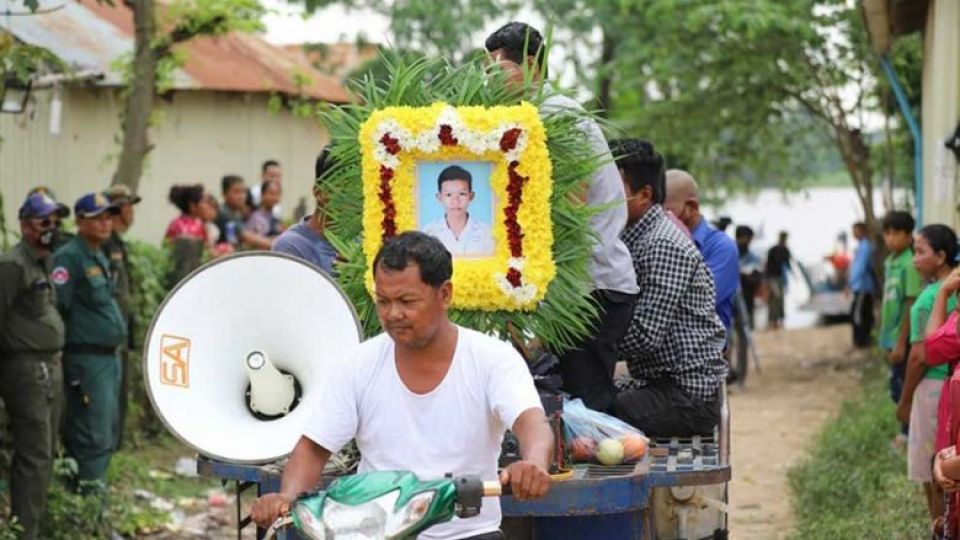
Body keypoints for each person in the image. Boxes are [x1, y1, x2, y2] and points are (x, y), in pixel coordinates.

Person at [250, 232, 553, 539]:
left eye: (407, 301)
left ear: (445, 294)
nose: (393, 314)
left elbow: (532, 422)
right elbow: (314, 449)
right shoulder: (359, 363)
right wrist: (287, 497)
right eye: (383, 301)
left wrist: (533, 464)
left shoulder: (493, 358)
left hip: (468, 534)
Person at [485, 22, 639, 414]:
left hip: (592, 288)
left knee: (588, 406)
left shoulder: (554, 116)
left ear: (533, 66)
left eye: (499, 67)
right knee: (570, 403)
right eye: (486, 68)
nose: (489, 77)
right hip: (578, 289)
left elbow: (571, 206)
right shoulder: (529, 117)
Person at [609, 138, 728, 437]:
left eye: (612, 189)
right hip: (656, 381)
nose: (601, 196)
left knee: (588, 414)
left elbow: (644, 336)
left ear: (644, 194)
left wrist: (579, 347)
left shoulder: (661, 244)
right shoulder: (631, 238)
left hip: (686, 395)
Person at [0, 193, 68, 540]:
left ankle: (35, 526)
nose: (52, 227)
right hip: (26, 371)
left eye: (56, 220)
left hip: (48, 368)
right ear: (26, 226)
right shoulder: (13, 264)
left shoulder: (44, 260)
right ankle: (25, 533)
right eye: (45, 221)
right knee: (34, 455)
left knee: (45, 452)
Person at [52, 193, 127, 492]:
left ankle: (95, 508)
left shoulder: (97, 254)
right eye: (97, 217)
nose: (105, 222)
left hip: (108, 359)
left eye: (109, 216)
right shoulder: (69, 256)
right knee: (92, 435)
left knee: (106, 433)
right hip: (86, 360)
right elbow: (58, 308)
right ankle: (88, 510)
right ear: (79, 221)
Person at [894, 225, 958, 523]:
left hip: (934, 386)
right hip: (946, 384)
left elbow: (922, 355)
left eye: (920, 252)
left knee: (933, 468)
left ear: (942, 256)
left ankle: (939, 525)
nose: (915, 259)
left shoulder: (935, 296)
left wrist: (905, 401)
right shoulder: (946, 293)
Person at [663, 169, 739, 331]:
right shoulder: (660, 241)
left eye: (667, 212)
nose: (661, 219)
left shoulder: (722, 247)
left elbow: (701, 301)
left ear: (692, 207)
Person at [101, 184, 141, 448]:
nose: (131, 212)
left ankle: (115, 446)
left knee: (119, 395)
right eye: (128, 206)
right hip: (106, 334)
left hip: (120, 330)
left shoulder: (118, 244)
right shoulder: (104, 244)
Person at [880, 210, 922, 441]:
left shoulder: (909, 263)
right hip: (891, 336)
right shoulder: (891, 262)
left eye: (895, 233)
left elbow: (910, 302)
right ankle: (906, 432)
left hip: (903, 337)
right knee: (895, 384)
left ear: (908, 236)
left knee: (903, 387)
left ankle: (909, 435)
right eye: (886, 233)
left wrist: (899, 343)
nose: (890, 238)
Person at [272, 147, 339, 276]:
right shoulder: (291, 247)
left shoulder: (362, 243)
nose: (357, 200)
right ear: (320, 193)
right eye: (345, 189)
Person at [422, 165, 495, 257]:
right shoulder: (428, 232)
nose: (455, 201)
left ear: (471, 196)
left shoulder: (486, 232)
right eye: (449, 195)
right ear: (439, 197)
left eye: (462, 194)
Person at [166, 184, 225, 285]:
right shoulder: (184, 227)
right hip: (186, 277)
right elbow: (205, 253)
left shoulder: (198, 223)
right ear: (193, 206)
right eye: (205, 202)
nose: (208, 206)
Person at [214, 175, 273, 250]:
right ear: (224, 194)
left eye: (243, 192)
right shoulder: (223, 213)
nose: (241, 196)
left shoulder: (236, 214)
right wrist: (275, 244)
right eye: (236, 192)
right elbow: (248, 238)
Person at [847, 222, 876, 349]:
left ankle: (860, 341)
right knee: (864, 313)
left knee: (857, 314)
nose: (853, 233)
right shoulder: (862, 246)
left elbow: (860, 268)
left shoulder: (865, 247)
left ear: (862, 231)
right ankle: (863, 340)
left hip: (863, 286)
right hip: (862, 286)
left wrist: (850, 283)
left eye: (856, 230)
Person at [764, 231, 793, 330]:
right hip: (773, 278)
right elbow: (767, 265)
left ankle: (778, 321)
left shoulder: (785, 250)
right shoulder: (774, 250)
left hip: (780, 278)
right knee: (775, 299)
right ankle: (773, 322)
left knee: (779, 299)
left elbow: (788, 264)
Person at [736, 226, 763, 330]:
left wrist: (747, 277)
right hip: (732, 296)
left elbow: (758, 278)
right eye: (746, 239)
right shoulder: (729, 254)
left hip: (748, 294)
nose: (748, 242)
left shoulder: (753, 258)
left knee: (747, 325)